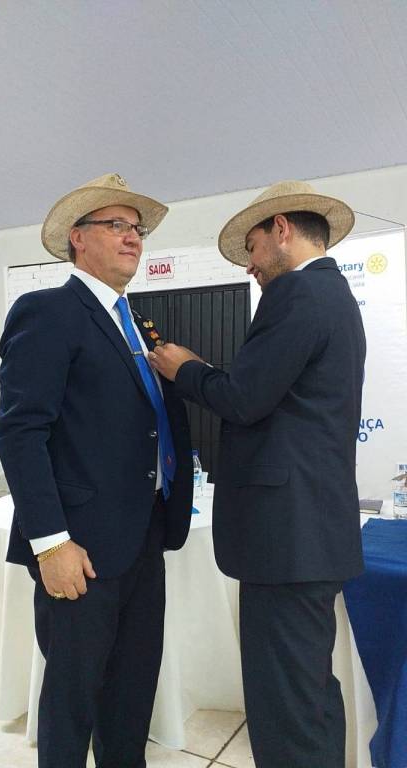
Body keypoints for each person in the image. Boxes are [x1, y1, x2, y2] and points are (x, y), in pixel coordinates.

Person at [149, 180, 366, 768]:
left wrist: (185, 369)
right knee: (308, 692)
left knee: (284, 703)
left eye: (251, 248)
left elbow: (245, 399)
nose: (249, 266)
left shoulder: (297, 293)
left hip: (286, 539)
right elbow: (270, 392)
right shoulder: (333, 295)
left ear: (282, 229)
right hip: (311, 533)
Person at [0, 172, 193, 768]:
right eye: (117, 225)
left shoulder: (133, 322)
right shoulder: (48, 311)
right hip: (79, 546)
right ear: (78, 238)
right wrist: (50, 541)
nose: (133, 237)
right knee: (72, 701)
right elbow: (21, 432)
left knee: (132, 696)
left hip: (144, 535)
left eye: (137, 228)